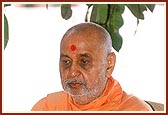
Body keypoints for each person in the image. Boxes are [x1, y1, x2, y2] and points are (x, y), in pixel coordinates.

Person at [31, 22, 153, 111]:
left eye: (84, 61)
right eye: (66, 62)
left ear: (109, 64)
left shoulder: (134, 110)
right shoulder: (47, 107)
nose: (72, 72)